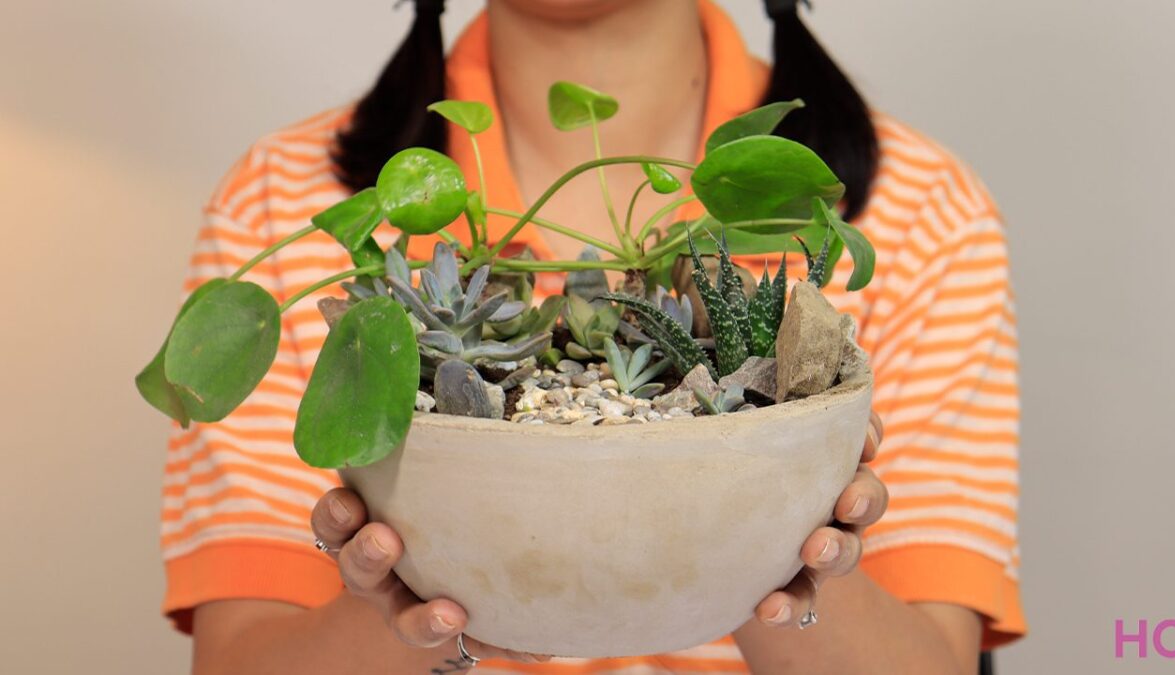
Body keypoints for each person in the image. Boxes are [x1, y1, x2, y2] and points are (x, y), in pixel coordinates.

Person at [164, 1, 1024, 673]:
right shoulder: (284, 205)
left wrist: (790, 523)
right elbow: (242, 658)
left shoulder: (920, 211)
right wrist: (394, 585)